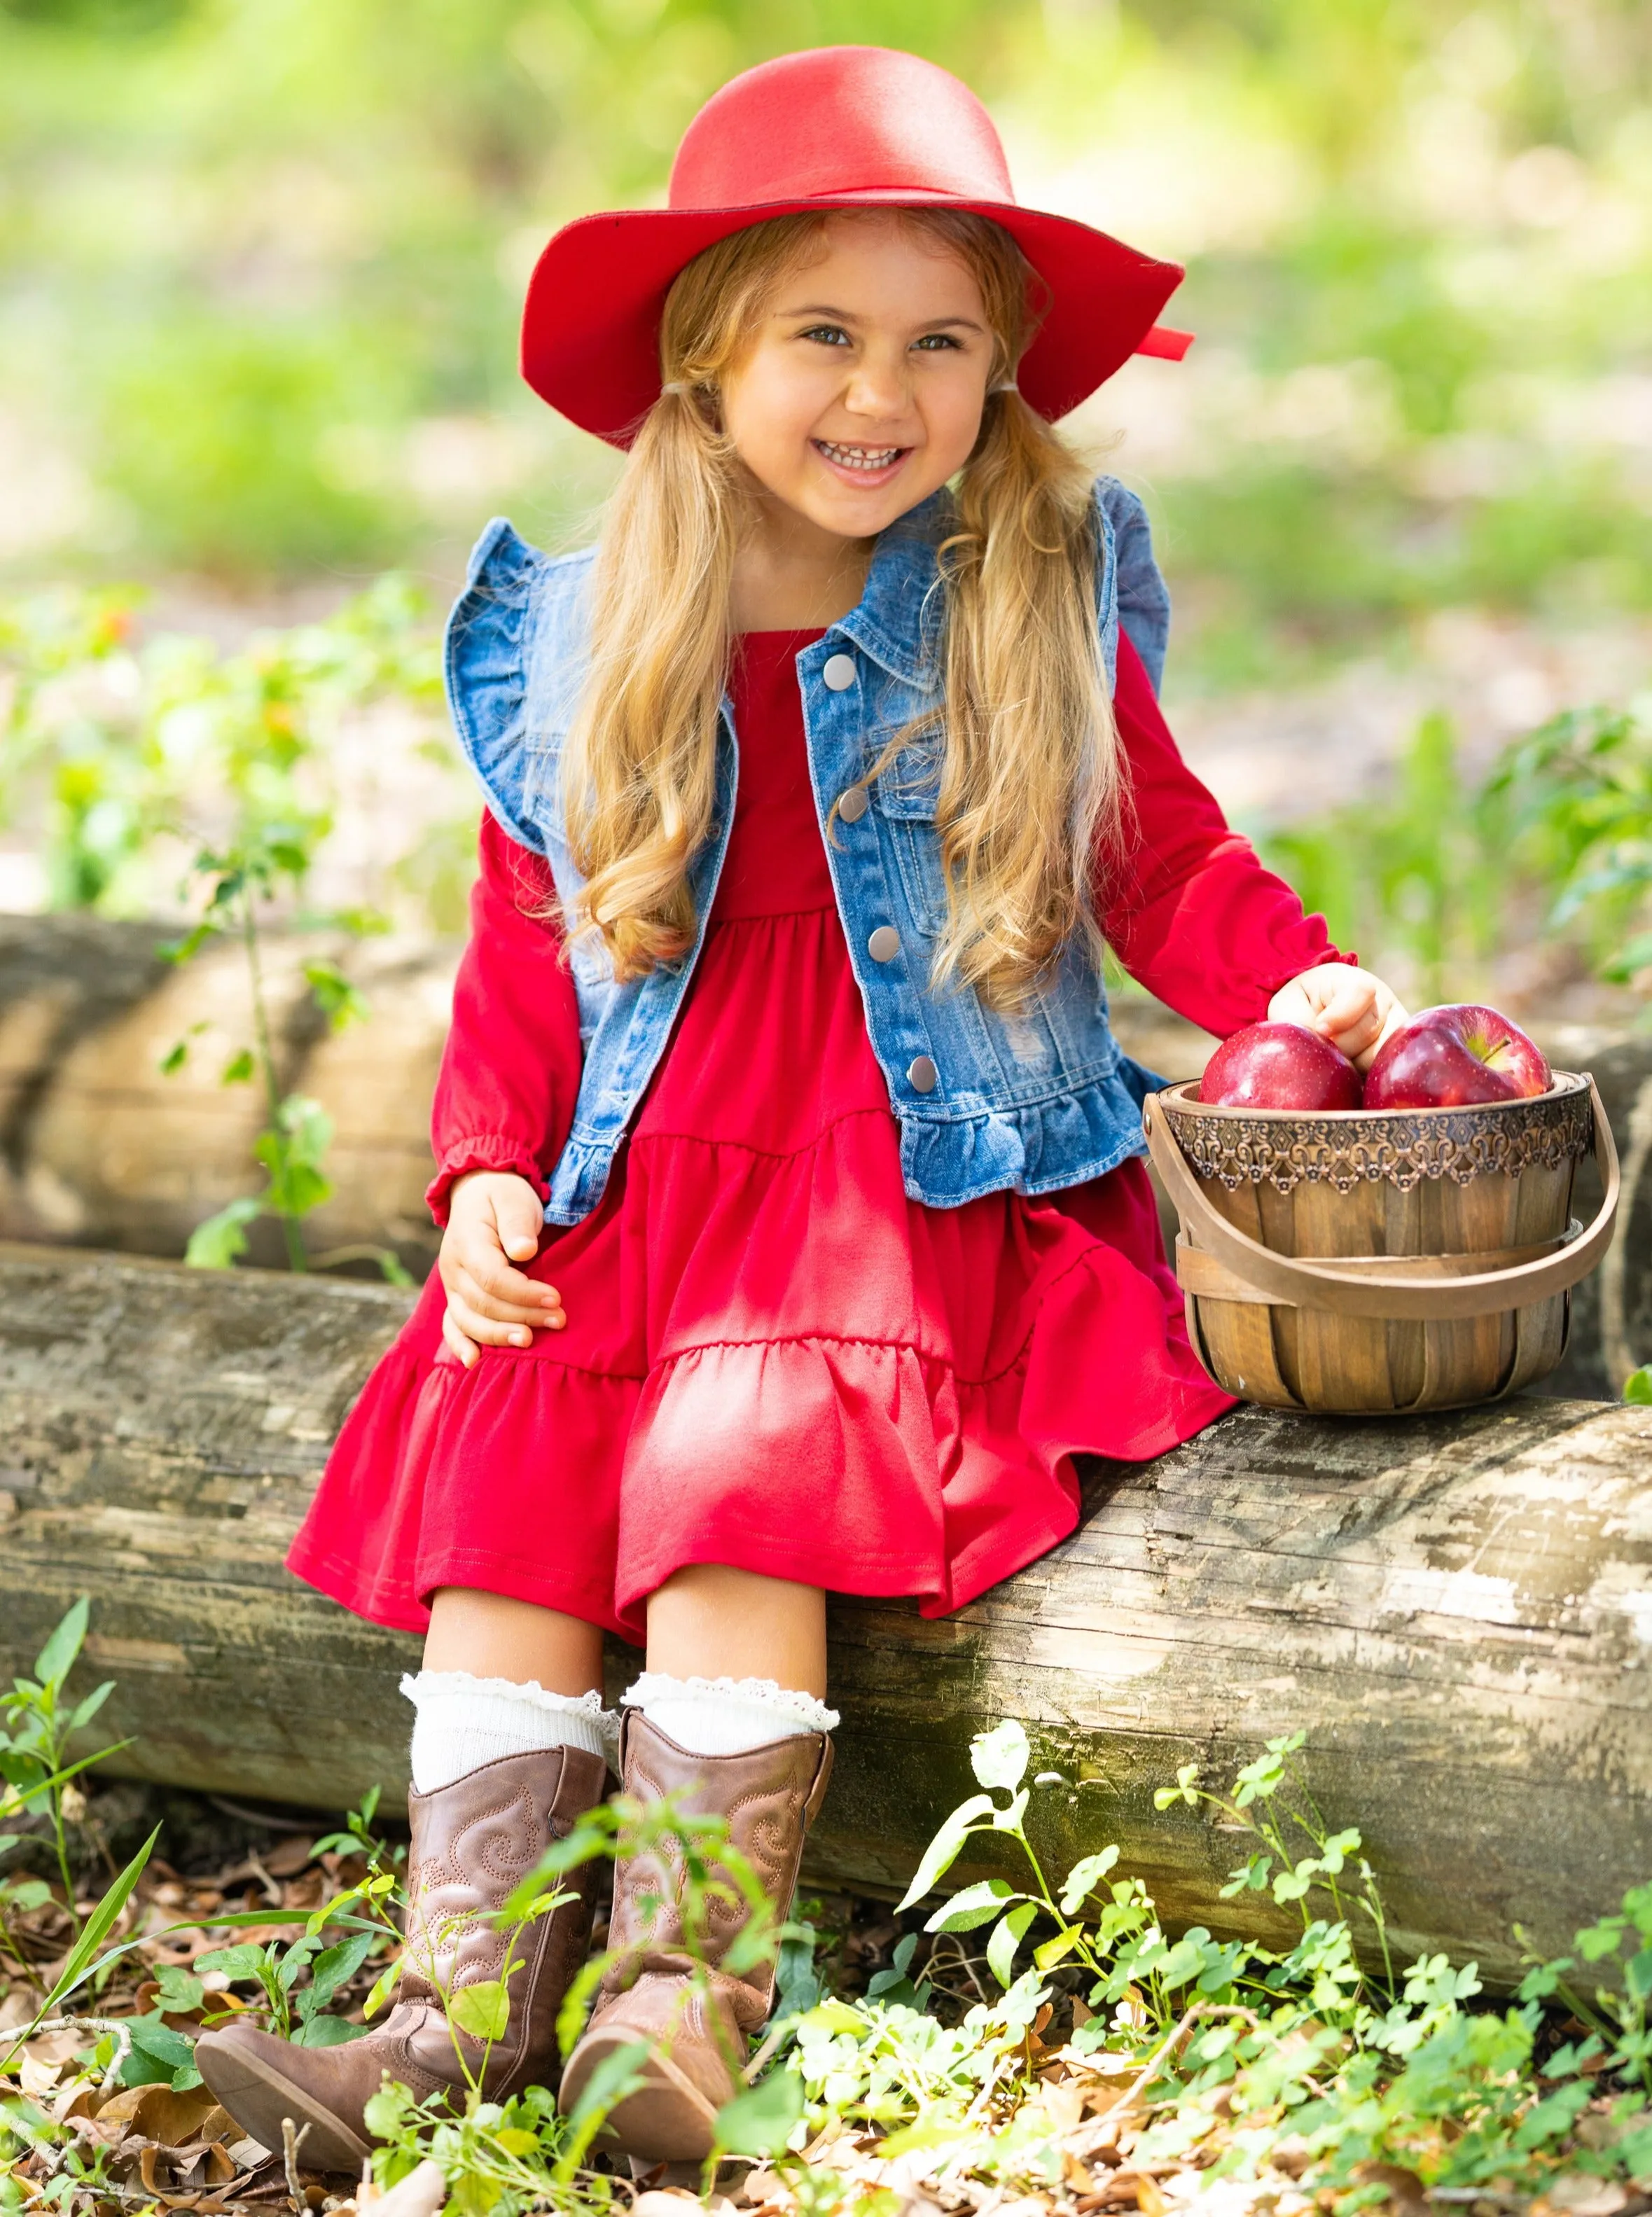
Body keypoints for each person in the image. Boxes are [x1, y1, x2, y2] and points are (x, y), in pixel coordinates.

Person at [198, 43, 1405, 2174]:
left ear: (1003, 369)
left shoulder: (1018, 581)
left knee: (741, 1492)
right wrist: (485, 1163)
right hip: (643, 1170)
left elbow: (1155, 855)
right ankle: (451, 2017)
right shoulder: (583, 632)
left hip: (897, 1165)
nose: (884, 391)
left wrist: (1283, 976)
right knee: (508, 1524)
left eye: (941, 342)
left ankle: (670, 2012)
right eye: (822, 337)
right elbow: (532, 938)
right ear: (703, 359)